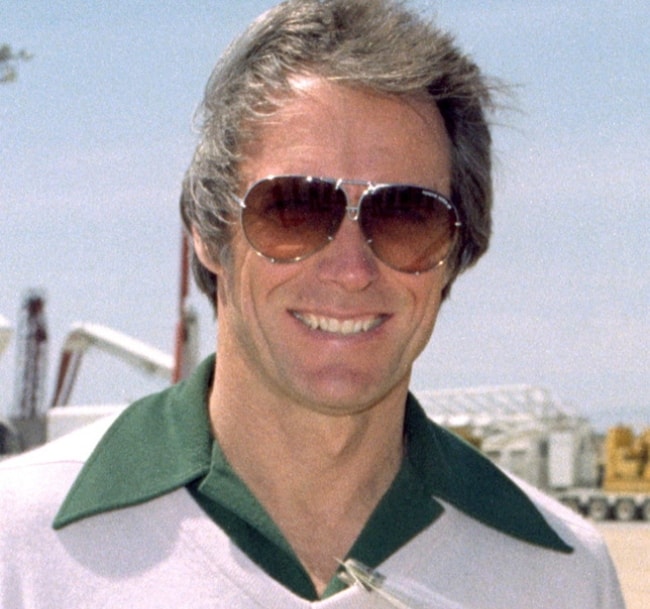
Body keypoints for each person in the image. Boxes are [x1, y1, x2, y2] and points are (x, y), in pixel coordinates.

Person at [0, 1, 625, 607]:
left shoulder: (563, 576)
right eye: (293, 208)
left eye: (407, 216)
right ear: (208, 232)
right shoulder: (20, 548)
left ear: (457, 252)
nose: (352, 270)